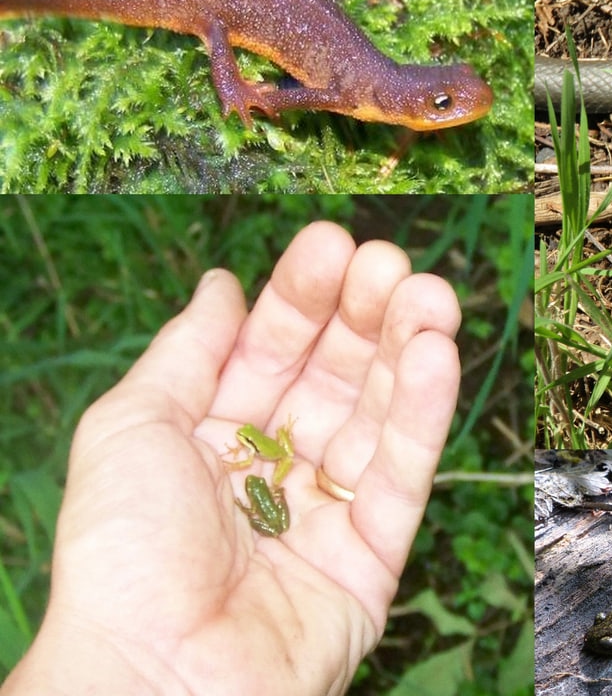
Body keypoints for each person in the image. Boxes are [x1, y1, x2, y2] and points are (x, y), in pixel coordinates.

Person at [1, 221, 461, 694]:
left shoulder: (259, 465)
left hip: (275, 459)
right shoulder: (258, 467)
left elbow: (256, 464)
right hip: (273, 465)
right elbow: (255, 468)